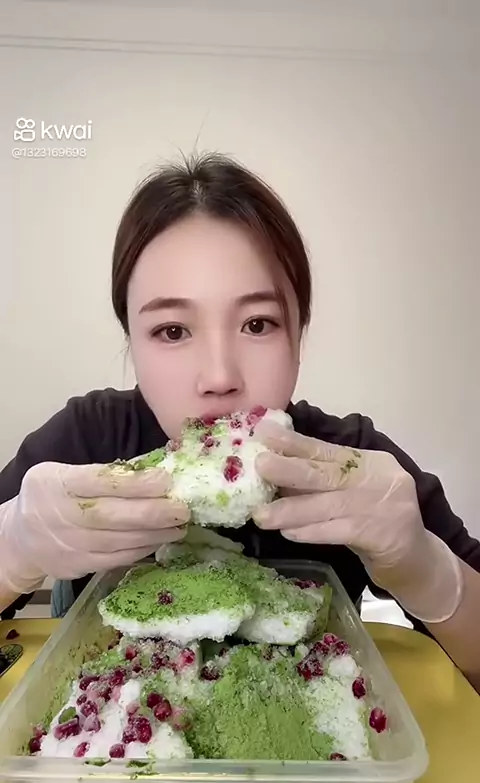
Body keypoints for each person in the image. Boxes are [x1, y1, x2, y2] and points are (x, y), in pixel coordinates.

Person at [1, 153, 479, 692]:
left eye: (257, 324)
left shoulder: (351, 462)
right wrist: (10, 549)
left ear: (299, 336)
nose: (220, 377)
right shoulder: (86, 440)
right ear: (131, 341)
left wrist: (428, 572)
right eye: (172, 331)